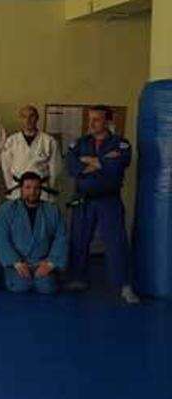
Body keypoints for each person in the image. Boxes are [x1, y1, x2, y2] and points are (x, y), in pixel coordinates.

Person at [65, 105, 139, 303]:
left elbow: (117, 167)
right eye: (90, 119)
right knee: (79, 240)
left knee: (116, 243)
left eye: (96, 119)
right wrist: (102, 162)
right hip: (83, 199)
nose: (91, 123)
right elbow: (72, 167)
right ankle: (78, 278)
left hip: (109, 199)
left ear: (107, 121)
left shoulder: (120, 143)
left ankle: (123, 285)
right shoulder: (79, 143)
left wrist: (90, 162)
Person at [0, 172, 68, 294]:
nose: (32, 192)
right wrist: (16, 262)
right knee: (21, 286)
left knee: (47, 288)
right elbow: (1, 238)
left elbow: (61, 237)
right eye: (28, 188)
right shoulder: (7, 209)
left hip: (42, 262)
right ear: (21, 189)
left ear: (41, 190)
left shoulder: (52, 210)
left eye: (36, 188)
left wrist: (50, 263)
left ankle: (45, 277)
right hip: (17, 263)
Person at [1, 105, 63, 201]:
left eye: (32, 116)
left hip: (42, 190)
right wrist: (10, 185)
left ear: (37, 118)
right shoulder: (11, 141)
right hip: (18, 188)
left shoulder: (49, 141)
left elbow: (55, 168)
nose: (28, 120)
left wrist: (50, 186)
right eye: (24, 117)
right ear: (20, 119)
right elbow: (6, 167)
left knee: (42, 215)